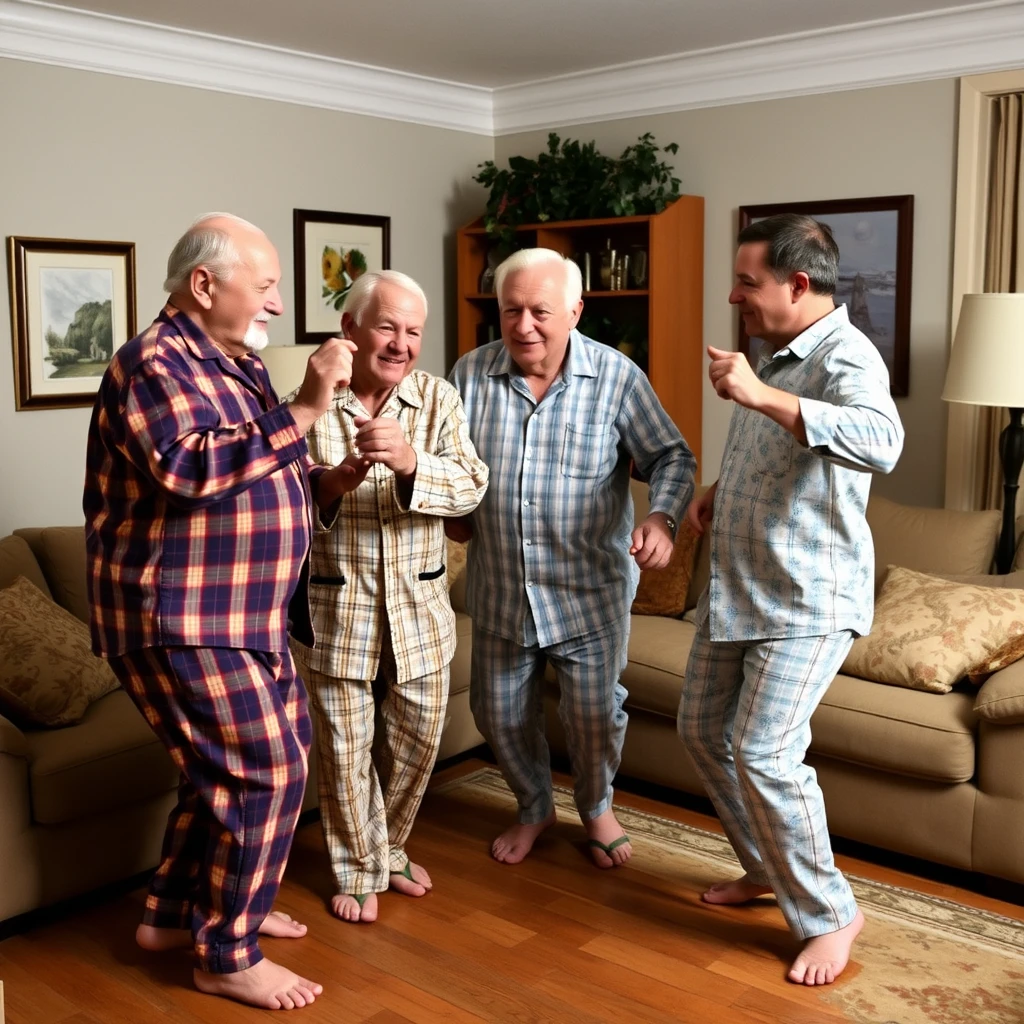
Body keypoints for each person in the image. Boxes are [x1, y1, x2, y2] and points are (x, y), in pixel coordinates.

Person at [84, 212, 359, 1011]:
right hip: (178, 618)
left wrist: (321, 480)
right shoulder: (151, 362)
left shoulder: (233, 362)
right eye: (266, 286)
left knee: (234, 769)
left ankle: (177, 915)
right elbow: (188, 469)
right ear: (205, 284)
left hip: (243, 614)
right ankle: (226, 953)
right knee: (264, 769)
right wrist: (306, 407)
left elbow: (259, 474)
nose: (276, 303)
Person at [677, 213, 904, 986]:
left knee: (767, 753)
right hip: (740, 587)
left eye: (747, 282)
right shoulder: (775, 355)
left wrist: (756, 393)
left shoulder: (847, 355)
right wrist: (718, 489)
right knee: (703, 729)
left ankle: (831, 912)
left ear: (797, 284)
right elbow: (777, 456)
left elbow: (881, 439)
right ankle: (769, 867)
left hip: (807, 599)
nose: (735, 296)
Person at [449, 248, 696, 868]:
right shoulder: (468, 375)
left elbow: (672, 456)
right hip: (502, 587)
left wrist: (662, 517)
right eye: (511, 311)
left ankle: (595, 806)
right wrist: (446, 504)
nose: (524, 326)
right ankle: (533, 805)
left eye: (540, 311)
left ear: (575, 311)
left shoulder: (616, 378)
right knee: (497, 713)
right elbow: (445, 459)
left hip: (589, 593)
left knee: (593, 717)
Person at [291, 270, 488, 925]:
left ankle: (389, 846)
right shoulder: (311, 404)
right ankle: (359, 871)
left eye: (413, 331)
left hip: (421, 613)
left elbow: (470, 489)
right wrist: (336, 481)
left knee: (414, 744)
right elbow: (283, 506)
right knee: (346, 754)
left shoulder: (438, 400)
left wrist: (411, 464)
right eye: (386, 326)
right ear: (349, 331)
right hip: (335, 611)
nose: (401, 343)